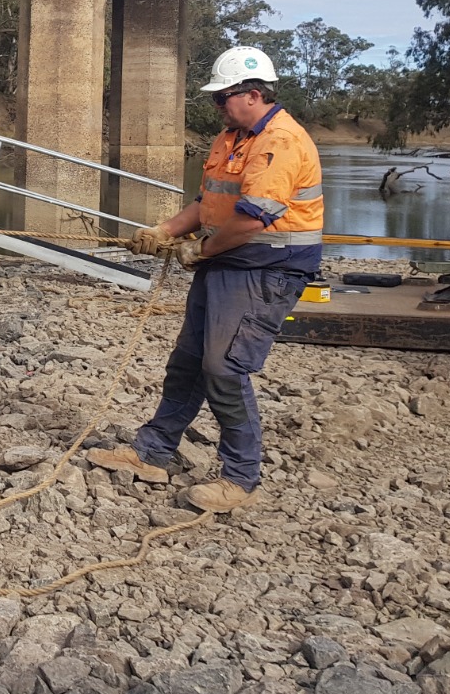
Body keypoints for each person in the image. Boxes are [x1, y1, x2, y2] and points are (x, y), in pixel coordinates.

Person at [88, 47, 323, 514]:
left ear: (252, 94)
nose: (217, 106)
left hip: (263, 271)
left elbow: (253, 220)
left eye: (223, 98)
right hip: (226, 263)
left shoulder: (281, 142)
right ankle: (152, 452)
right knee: (189, 361)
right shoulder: (231, 137)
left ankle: (241, 478)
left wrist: (202, 249)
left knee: (224, 368)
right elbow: (209, 201)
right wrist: (166, 232)